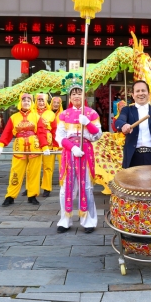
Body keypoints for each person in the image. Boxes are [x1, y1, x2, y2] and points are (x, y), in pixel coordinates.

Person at [55, 73, 102, 234]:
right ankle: (65, 220)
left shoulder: (91, 113)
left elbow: (97, 135)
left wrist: (88, 123)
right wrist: (72, 147)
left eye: (79, 92)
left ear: (84, 95)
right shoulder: (63, 114)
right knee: (66, 188)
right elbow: (59, 136)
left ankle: (88, 220)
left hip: (86, 152)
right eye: (73, 93)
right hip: (69, 153)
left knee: (86, 187)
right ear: (69, 96)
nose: (76, 96)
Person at [0, 94, 51, 206]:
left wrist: (45, 147)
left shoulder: (37, 117)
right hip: (19, 148)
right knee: (16, 172)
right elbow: (7, 132)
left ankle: (32, 195)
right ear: (20, 102)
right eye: (24, 100)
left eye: (29, 100)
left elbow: (41, 132)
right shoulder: (14, 117)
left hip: (35, 148)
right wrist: (0, 146)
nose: (26, 102)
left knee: (34, 173)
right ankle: (10, 196)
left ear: (32, 103)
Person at [36, 93, 56, 197]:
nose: (40, 102)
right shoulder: (32, 113)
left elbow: (55, 130)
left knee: (48, 167)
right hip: (34, 142)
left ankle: (47, 188)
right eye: (39, 100)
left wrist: (56, 144)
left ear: (46, 102)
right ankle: (31, 187)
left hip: (48, 143)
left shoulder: (51, 114)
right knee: (32, 167)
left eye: (42, 100)